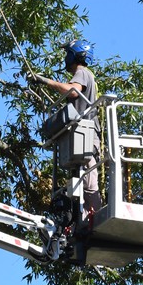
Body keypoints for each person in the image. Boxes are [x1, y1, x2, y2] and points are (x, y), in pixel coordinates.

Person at [30, 39, 102, 213]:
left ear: (76, 55)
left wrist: (45, 81)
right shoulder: (83, 75)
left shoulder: (82, 72)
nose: (65, 59)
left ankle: (93, 216)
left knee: (89, 183)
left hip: (87, 137)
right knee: (79, 182)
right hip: (81, 137)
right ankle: (82, 217)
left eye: (67, 54)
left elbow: (72, 90)